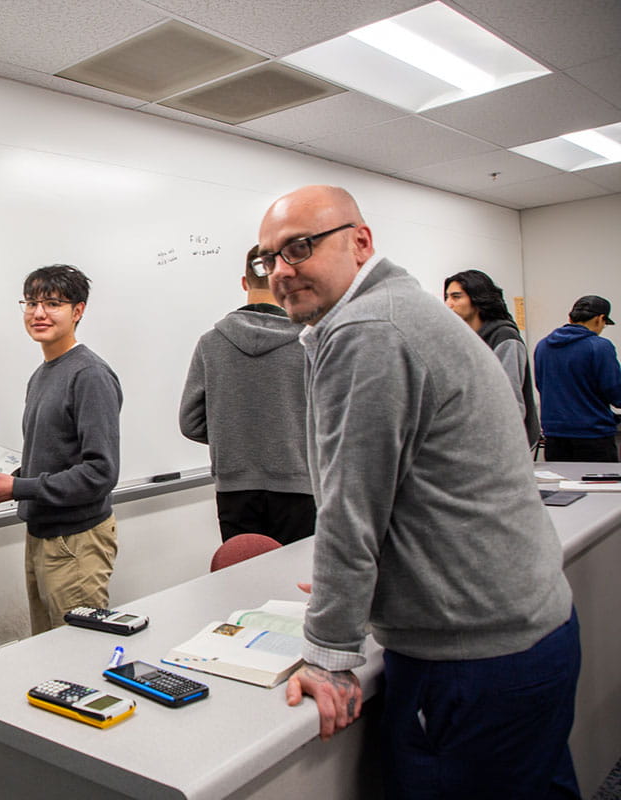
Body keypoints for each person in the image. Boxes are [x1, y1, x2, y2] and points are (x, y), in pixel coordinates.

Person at [253, 187, 579, 798]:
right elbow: (410, 489)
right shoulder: (400, 309)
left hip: (471, 661)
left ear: (360, 241)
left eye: (299, 247)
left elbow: (353, 510)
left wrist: (327, 655)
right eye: (267, 257)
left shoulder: (370, 329)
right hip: (523, 634)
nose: (281, 271)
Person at [0, 264, 123, 634]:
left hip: (76, 541)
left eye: (53, 303)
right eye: (31, 303)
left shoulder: (89, 374)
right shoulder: (43, 374)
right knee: (47, 648)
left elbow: (100, 473)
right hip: (42, 535)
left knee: (78, 651)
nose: (39, 313)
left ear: (78, 311)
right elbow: (55, 458)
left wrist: (20, 488)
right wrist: (11, 481)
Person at [179, 244, 313, 544]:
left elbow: (191, 423)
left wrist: (235, 436)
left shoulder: (211, 343)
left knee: (241, 580)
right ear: (286, 281)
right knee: (294, 584)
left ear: (244, 283)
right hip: (299, 488)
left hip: (234, 490)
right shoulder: (309, 343)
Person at [443, 269, 541, 450]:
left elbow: (510, 402)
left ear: (478, 298)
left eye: (456, 297)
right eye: (447, 297)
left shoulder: (504, 337)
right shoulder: (462, 339)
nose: (449, 304)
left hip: (502, 444)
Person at [534, 295, 621, 462]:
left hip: (554, 436)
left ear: (570, 317)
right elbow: (615, 392)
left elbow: (541, 385)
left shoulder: (543, 345)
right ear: (600, 319)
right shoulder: (600, 346)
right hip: (593, 437)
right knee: (597, 487)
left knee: (561, 487)